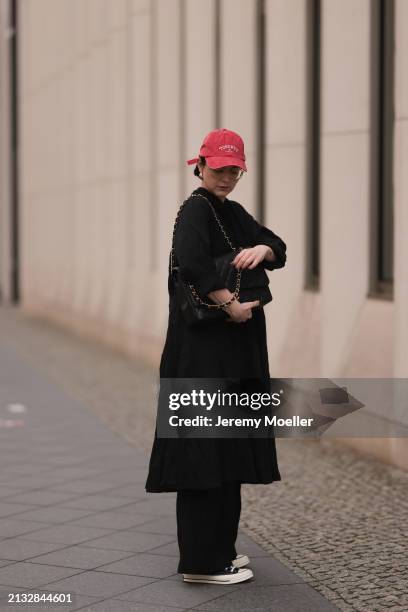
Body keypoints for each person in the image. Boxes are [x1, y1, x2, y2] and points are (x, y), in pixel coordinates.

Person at [145, 128, 287, 585]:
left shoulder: (230, 211)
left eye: (234, 169)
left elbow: (276, 246)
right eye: (218, 168)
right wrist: (230, 305)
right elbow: (190, 261)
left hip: (229, 351)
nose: (226, 176)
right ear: (200, 165)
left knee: (226, 448)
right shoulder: (195, 209)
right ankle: (202, 563)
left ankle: (220, 551)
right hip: (203, 352)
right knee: (204, 450)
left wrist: (264, 248)